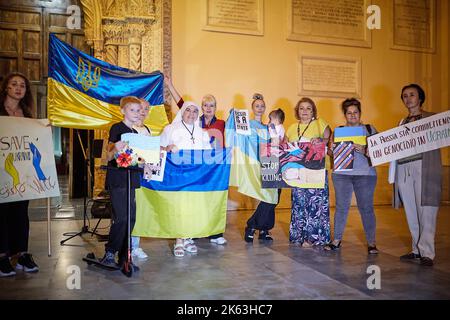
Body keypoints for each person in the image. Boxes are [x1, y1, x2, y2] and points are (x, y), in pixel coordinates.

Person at [165, 76, 227, 245]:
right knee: (195, 200)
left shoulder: (222, 123)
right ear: (201, 107)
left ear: (216, 108)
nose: (208, 108)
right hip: (193, 165)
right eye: (205, 105)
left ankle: (215, 233)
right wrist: (170, 85)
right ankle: (192, 232)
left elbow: (233, 135)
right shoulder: (194, 120)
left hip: (212, 166)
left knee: (211, 197)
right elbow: (182, 104)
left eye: (212, 105)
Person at [389, 84, 442, 267]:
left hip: (423, 166)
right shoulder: (401, 122)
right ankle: (416, 250)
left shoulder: (433, 118)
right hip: (404, 168)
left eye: (412, 95)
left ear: (420, 98)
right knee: (411, 211)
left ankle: (427, 252)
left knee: (425, 209)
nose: (408, 98)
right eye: (405, 96)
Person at [325, 98, 378, 254]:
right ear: (345, 115)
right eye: (349, 113)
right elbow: (329, 153)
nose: (353, 115)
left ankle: (372, 243)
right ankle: (337, 240)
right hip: (342, 174)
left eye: (355, 112)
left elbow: (381, 150)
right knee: (341, 207)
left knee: (366, 208)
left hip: (366, 174)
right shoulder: (338, 131)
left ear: (360, 113)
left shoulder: (369, 129)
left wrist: (364, 148)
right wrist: (331, 148)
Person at [159, 101, 212, 257]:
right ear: (182, 112)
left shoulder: (203, 133)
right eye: (188, 110)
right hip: (177, 175)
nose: (191, 113)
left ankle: (188, 238)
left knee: (193, 208)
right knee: (180, 208)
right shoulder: (170, 129)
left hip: (196, 175)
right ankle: (179, 240)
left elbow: (208, 154)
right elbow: (159, 148)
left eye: (195, 111)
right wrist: (167, 148)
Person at [0, 72, 39, 277]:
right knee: (2, 214)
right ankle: (3, 256)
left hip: (22, 173)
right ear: (6, 87)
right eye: (14, 84)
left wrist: (43, 130)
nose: (18, 88)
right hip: (1, 170)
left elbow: (33, 141)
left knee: (21, 213)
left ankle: (21, 253)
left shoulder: (27, 115)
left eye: (22, 86)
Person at [100, 96, 144, 268]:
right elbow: (109, 155)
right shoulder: (117, 128)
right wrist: (114, 148)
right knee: (121, 218)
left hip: (131, 178)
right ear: (123, 111)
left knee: (131, 217)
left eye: (138, 110)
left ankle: (125, 256)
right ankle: (110, 252)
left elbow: (136, 158)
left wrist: (145, 164)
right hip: (118, 179)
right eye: (132, 110)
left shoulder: (136, 133)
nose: (136, 113)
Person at [286, 97, 331, 247]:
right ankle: (298, 235)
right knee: (299, 203)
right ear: (297, 111)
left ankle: (314, 237)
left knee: (315, 203)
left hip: (315, 170)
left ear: (313, 111)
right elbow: (284, 147)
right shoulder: (292, 127)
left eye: (308, 108)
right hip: (297, 171)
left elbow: (329, 141)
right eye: (301, 108)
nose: (304, 111)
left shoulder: (320, 123)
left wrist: (320, 140)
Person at [244, 94, 282, 243]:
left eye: (262, 106)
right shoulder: (249, 125)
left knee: (274, 197)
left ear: (265, 108)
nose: (260, 108)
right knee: (268, 198)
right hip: (256, 163)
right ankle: (252, 226)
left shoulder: (269, 127)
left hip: (271, 162)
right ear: (253, 108)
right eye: (257, 106)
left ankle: (264, 229)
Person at [130, 99, 152, 260]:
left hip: (143, 176)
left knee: (139, 211)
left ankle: (135, 246)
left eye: (146, 109)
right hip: (130, 175)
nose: (143, 112)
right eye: (140, 109)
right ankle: (125, 245)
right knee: (128, 211)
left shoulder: (147, 129)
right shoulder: (128, 129)